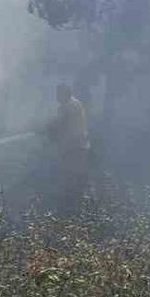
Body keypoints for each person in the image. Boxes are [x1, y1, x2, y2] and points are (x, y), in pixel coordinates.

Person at [44, 83, 90, 212]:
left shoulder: (68, 107)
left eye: (58, 94)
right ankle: (77, 205)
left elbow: (59, 124)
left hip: (73, 149)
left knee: (70, 179)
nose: (56, 97)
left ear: (65, 94)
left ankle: (71, 207)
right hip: (78, 147)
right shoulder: (75, 104)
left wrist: (47, 128)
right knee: (75, 178)